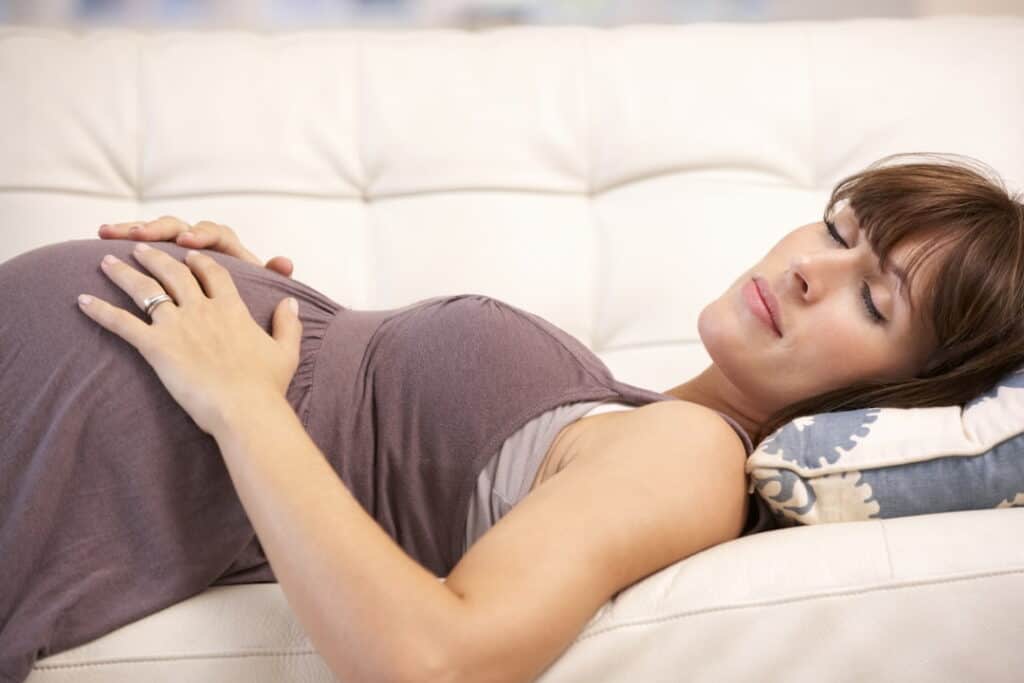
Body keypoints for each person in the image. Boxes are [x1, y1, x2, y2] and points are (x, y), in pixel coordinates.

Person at [2, 151, 1022, 682]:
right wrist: (251, 291)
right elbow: (382, 445)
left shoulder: (694, 456)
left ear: (904, 398)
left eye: (872, 297)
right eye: (840, 228)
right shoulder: (644, 419)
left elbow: (436, 661)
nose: (809, 266)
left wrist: (241, 399)